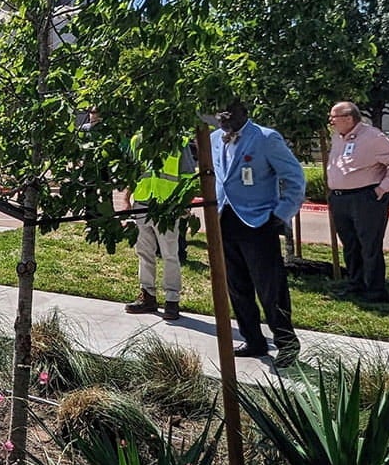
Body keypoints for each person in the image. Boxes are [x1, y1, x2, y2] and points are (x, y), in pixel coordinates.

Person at [211, 99, 306, 368]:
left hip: (259, 223)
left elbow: (295, 178)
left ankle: (287, 343)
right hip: (224, 221)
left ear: (244, 112)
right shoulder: (214, 139)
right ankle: (253, 339)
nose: (224, 118)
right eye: (219, 114)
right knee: (236, 286)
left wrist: (281, 214)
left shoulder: (266, 138)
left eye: (229, 113)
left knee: (270, 287)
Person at [326, 101, 389, 303]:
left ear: (348, 118)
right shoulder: (337, 137)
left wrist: (382, 188)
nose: (330, 121)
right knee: (350, 245)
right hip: (340, 199)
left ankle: (375, 291)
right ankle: (355, 284)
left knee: (369, 245)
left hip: (365, 199)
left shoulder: (372, 137)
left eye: (333, 117)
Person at [124, 137, 196, 321]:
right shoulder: (137, 140)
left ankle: (172, 300)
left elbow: (188, 175)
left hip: (167, 206)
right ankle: (147, 296)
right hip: (142, 203)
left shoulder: (179, 141)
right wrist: (127, 198)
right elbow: (132, 172)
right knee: (143, 252)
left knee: (170, 254)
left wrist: (184, 202)